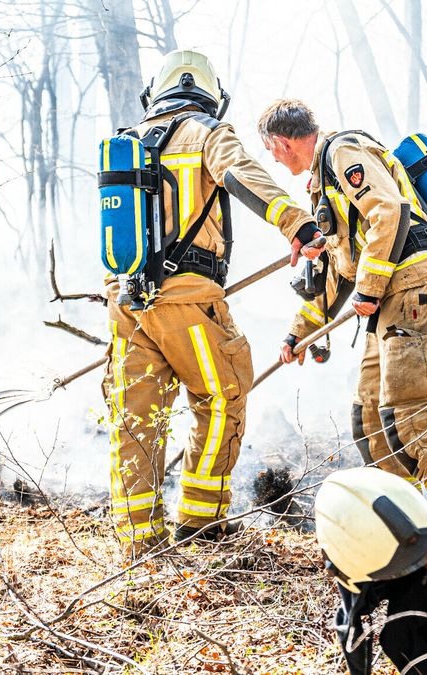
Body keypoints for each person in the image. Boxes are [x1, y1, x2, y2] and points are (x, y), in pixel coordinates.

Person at [102, 52, 323, 558]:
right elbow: (242, 174)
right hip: (189, 300)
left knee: (136, 417)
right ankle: (201, 527)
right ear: (210, 94)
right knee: (222, 396)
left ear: (154, 94)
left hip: (125, 302)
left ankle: (139, 544)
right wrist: (297, 223)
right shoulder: (205, 132)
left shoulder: (127, 142)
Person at [257, 99, 427, 545]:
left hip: (411, 286)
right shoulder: (323, 182)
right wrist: (299, 332)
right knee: (369, 417)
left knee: (408, 408)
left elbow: (388, 211)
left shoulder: (343, 153)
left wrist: (369, 288)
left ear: (281, 142)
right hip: (389, 294)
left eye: (271, 151)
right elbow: (339, 270)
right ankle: (407, 521)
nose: (273, 160)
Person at [316, 466, 427, 675]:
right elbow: (350, 625)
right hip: (375, 548)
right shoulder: (347, 542)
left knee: (409, 624)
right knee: (406, 625)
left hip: (411, 538)